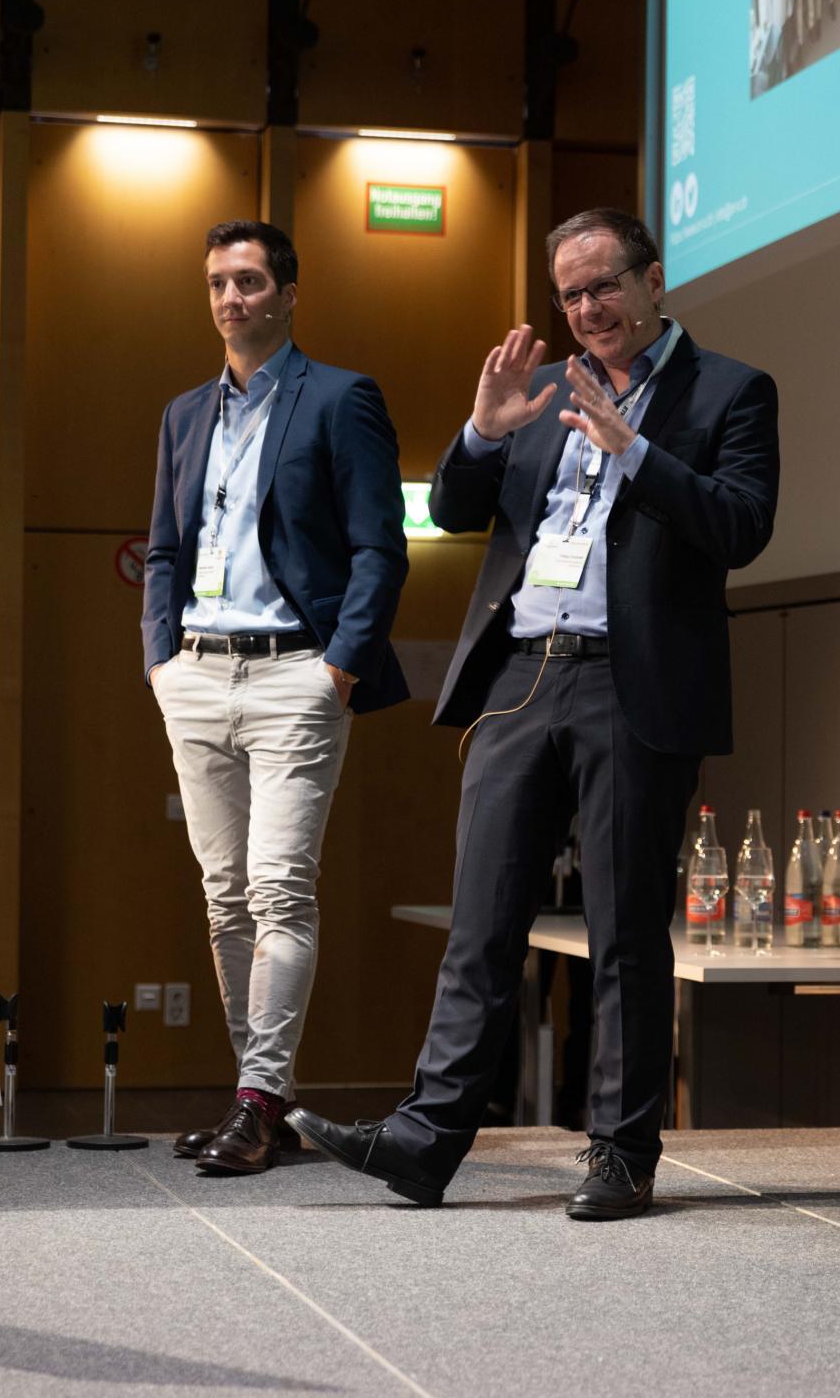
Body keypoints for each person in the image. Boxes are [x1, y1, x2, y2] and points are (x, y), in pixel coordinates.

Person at [294, 208, 780, 1219]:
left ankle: (622, 1152)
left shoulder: (731, 391)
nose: (588, 309)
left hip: (630, 684)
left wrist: (635, 451)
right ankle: (426, 1141)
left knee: (624, 932)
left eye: (604, 286)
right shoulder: (543, 389)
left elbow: (742, 526)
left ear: (653, 281)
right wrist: (483, 430)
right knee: (480, 925)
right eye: (569, 296)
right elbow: (454, 510)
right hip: (520, 675)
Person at [141, 220, 410, 1176]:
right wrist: (160, 660)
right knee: (224, 900)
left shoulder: (340, 398)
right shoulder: (185, 414)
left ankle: (257, 1101)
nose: (231, 298)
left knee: (279, 887)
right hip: (196, 673)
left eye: (249, 281)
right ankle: (260, 1098)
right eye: (218, 282)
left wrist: (340, 666)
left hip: (297, 672)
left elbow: (381, 547)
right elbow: (164, 549)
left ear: (288, 295)